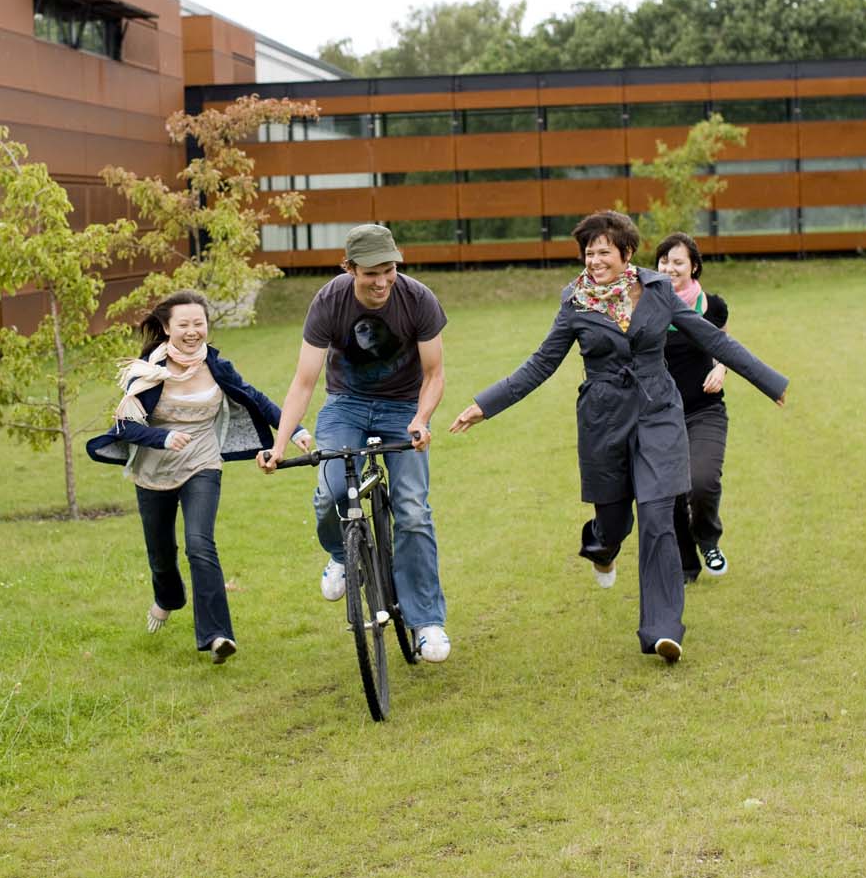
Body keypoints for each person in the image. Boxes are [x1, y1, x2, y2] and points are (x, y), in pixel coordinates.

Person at [448, 211, 787, 664]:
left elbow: (714, 339)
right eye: (589, 252)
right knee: (613, 522)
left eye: (603, 250)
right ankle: (601, 547)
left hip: (657, 411)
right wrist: (484, 404)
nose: (594, 259)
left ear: (626, 253)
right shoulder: (575, 302)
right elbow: (540, 364)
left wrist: (769, 381)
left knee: (657, 515)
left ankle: (663, 629)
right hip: (604, 418)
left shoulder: (659, 291)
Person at [258, 224, 451, 663]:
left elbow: (435, 374)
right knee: (330, 492)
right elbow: (304, 381)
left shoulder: (418, 298)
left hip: (403, 407)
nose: (382, 281)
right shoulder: (329, 301)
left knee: (413, 510)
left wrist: (421, 420)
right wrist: (279, 443)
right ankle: (341, 555)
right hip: (346, 404)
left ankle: (426, 622)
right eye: (370, 273)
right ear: (349, 269)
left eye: (389, 270)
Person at [86, 290, 310, 663]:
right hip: (153, 469)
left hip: (202, 462)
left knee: (200, 543)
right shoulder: (147, 372)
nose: (192, 331)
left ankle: (217, 636)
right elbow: (125, 426)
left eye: (199, 323)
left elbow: (253, 396)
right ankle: (168, 598)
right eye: (184, 325)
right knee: (161, 554)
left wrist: (294, 429)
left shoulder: (217, 366)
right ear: (166, 328)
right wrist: (164, 436)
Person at [655, 231, 730, 583]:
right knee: (670, 494)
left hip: (704, 410)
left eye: (678, 262)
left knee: (701, 482)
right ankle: (686, 565)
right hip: (661, 416)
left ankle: (708, 539)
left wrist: (720, 367)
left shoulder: (711, 307)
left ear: (694, 267)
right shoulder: (647, 307)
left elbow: (725, 348)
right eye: (664, 261)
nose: (669, 268)